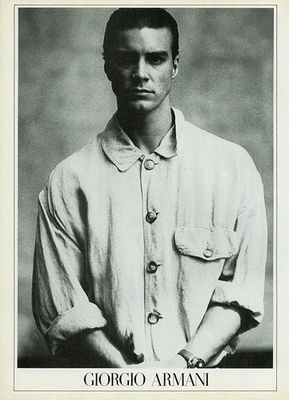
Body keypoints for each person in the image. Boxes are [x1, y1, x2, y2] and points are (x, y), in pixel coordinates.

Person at [32, 8, 267, 368]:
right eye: (126, 59)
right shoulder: (69, 180)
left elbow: (241, 290)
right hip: (106, 384)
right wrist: (128, 377)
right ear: (108, 66)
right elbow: (63, 305)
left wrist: (181, 365)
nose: (140, 74)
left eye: (155, 59)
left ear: (174, 65)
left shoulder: (231, 167)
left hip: (204, 381)